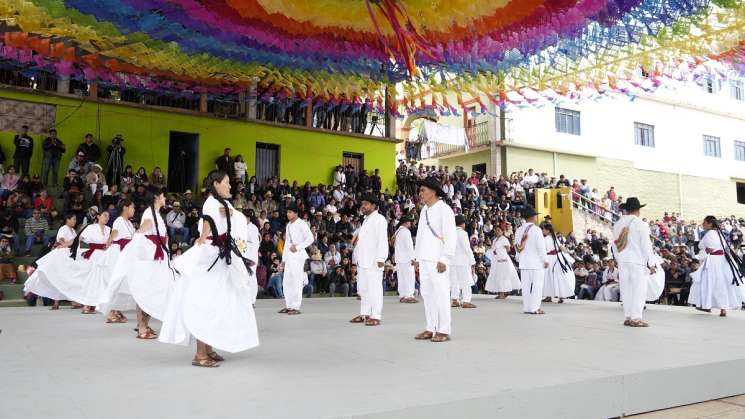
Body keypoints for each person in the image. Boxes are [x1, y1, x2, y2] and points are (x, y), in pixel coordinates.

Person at [159, 170, 259, 367]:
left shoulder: (224, 204)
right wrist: (201, 241)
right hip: (210, 258)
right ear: (215, 184)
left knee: (217, 303)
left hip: (220, 257)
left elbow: (235, 219)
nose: (230, 186)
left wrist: (231, 213)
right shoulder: (211, 204)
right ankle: (200, 354)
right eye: (227, 182)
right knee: (206, 302)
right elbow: (206, 227)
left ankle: (209, 349)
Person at [107, 188, 175, 339]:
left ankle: (143, 324)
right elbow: (146, 225)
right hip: (151, 259)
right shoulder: (149, 214)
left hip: (158, 256)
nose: (165, 198)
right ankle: (142, 327)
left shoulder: (156, 213)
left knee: (156, 289)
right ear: (157, 197)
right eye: (163, 195)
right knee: (147, 289)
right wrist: (139, 232)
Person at [413, 177, 456, 343]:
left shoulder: (444, 210)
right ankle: (431, 327)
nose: (420, 193)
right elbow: (421, 235)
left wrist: (444, 259)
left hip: (438, 260)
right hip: (424, 258)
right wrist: (417, 257)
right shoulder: (424, 210)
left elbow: (450, 236)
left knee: (441, 294)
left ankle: (444, 329)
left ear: (433, 191)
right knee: (427, 294)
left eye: (423, 190)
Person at [688, 216, 745, 317]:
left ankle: (706, 305)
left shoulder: (710, 234)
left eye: (705, 222)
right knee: (722, 284)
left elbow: (708, 248)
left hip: (713, 261)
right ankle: (722, 309)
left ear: (710, 224)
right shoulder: (720, 233)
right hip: (722, 260)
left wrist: (703, 252)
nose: (703, 224)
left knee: (709, 282)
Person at [612, 197, 655, 327]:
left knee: (626, 289)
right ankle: (636, 318)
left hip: (623, 261)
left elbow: (614, 245)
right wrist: (651, 263)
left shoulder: (618, 223)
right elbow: (646, 245)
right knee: (638, 289)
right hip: (637, 261)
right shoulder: (640, 223)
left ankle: (628, 316)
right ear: (638, 210)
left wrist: (618, 259)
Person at [23, 213, 78, 310]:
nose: (75, 221)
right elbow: (61, 240)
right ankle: (63, 302)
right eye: (73, 219)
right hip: (62, 256)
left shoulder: (73, 231)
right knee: (60, 278)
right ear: (67, 219)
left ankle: (61, 302)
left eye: (75, 219)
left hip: (69, 256)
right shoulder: (63, 228)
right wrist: (66, 245)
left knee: (64, 278)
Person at [349, 194, 388, 326]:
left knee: (375, 289)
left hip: (374, 261)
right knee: (363, 289)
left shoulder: (379, 219)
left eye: (366, 204)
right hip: (363, 260)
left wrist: (381, 258)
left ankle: (376, 315)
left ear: (373, 205)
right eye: (362, 204)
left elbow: (382, 240)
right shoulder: (366, 220)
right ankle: (364, 314)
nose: (363, 206)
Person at [97, 199, 137, 323]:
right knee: (116, 283)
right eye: (132, 207)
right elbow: (114, 233)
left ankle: (115, 308)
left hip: (128, 256)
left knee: (124, 284)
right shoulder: (119, 221)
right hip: (118, 255)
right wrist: (108, 242)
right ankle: (109, 311)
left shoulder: (129, 223)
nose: (134, 210)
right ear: (125, 208)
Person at [514, 206, 549, 315]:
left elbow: (516, 246)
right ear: (533, 217)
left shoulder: (519, 230)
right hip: (536, 263)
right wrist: (545, 259)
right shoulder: (536, 229)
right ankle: (535, 308)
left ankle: (527, 307)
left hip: (524, 262)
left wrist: (519, 258)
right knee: (537, 286)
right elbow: (541, 247)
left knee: (525, 287)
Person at [280, 203, 314, 315]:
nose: (288, 214)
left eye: (290, 212)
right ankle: (289, 305)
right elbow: (286, 244)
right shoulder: (288, 225)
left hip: (298, 256)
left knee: (296, 281)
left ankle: (296, 306)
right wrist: (283, 260)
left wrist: (298, 247)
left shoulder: (301, 224)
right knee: (287, 281)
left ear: (296, 213)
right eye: (287, 212)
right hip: (289, 256)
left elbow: (310, 238)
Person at [541, 222, 575, 304]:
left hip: (550, 259)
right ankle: (559, 296)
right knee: (557, 277)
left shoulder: (546, 239)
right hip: (556, 258)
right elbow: (561, 247)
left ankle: (550, 296)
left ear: (548, 230)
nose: (542, 231)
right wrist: (567, 252)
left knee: (548, 277)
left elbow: (543, 250)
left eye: (544, 229)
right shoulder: (554, 238)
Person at [485, 226, 521, 299]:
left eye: (498, 230)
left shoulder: (504, 239)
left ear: (502, 231)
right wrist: (495, 252)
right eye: (496, 230)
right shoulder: (495, 240)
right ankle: (501, 292)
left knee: (504, 276)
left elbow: (508, 249)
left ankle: (504, 292)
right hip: (496, 260)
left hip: (503, 260)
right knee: (498, 275)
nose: (497, 232)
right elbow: (493, 249)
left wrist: (500, 252)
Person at [450, 215, 477, 308]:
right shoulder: (462, 233)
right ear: (462, 224)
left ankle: (454, 300)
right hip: (462, 261)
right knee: (465, 281)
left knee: (454, 281)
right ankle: (466, 301)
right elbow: (467, 249)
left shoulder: (450, 232)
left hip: (452, 261)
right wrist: (472, 261)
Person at [393, 214, 417, 303]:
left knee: (402, 277)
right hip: (407, 258)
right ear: (406, 222)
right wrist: (413, 258)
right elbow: (409, 246)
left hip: (399, 258)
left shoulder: (397, 231)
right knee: (409, 277)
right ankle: (409, 295)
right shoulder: (406, 232)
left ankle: (402, 295)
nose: (410, 222)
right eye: (409, 221)